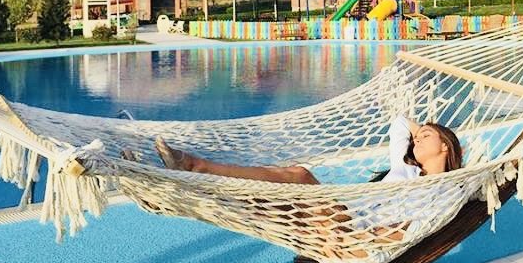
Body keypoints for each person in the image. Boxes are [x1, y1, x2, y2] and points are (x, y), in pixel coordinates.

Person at [151, 115, 462, 183]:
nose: (417, 139)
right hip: (352, 213)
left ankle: (194, 168)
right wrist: (423, 131)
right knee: (294, 175)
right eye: (418, 136)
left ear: (446, 147)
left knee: (298, 176)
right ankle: (185, 173)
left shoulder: (447, 186)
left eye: (426, 137)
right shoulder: (404, 167)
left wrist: (432, 134)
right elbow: (399, 123)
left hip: (364, 229)